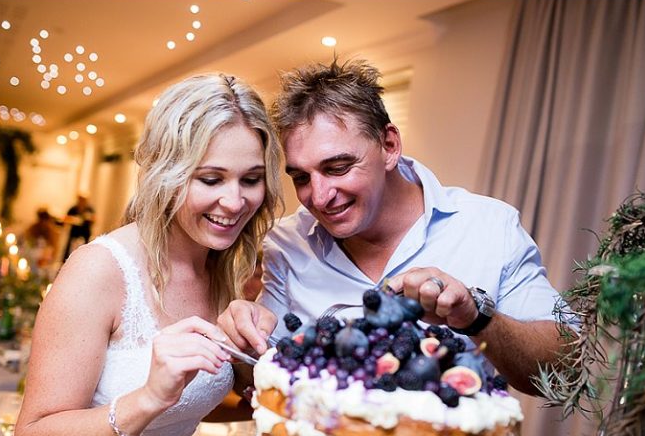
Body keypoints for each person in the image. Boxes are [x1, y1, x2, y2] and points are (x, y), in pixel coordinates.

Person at [0, 72, 283, 436]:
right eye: (211, 179)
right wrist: (147, 398)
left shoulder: (224, 270)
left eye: (251, 179)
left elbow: (192, 405)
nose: (236, 201)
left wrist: (253, 367)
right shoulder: (99, 270)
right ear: (167, 172)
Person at [217, 58, 563, 397]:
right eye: (301, 177)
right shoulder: (287, 242)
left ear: (389, 146)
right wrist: (240, 337)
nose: (319, 197)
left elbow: (562, 370)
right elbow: (261, 376)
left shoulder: (489, 226)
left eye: (338, 167)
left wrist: (477, 318)